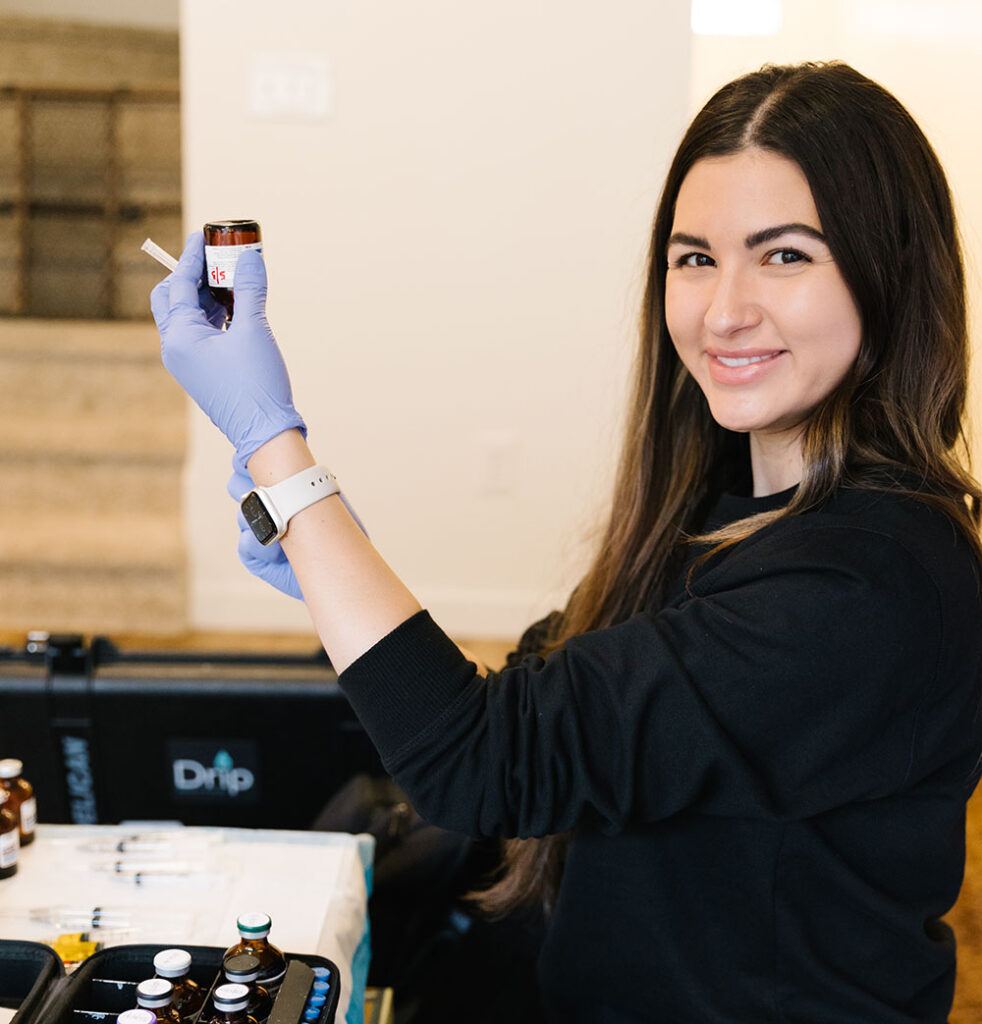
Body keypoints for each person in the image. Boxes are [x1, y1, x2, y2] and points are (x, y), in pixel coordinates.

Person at [151, 61, 982, 1023]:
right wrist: (325, 558)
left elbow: (486, 762)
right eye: (695, 257)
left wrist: (277, 452)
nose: (724, 310)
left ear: (891, 272)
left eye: (786, 255)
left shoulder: (871, 586)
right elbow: (544, 688)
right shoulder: (724, 504)